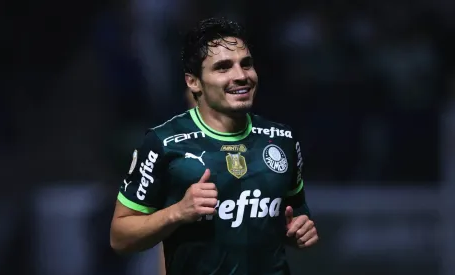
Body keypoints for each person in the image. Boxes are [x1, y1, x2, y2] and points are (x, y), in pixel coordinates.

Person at [110, 17, 319, 275]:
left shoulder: (282, 140)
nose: (241, 75)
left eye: (246, 64)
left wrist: (299, 229)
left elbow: (295, 215)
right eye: (223, 67)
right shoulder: (162, 143)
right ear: (193, 82)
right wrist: (177, 212)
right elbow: (120, 237)